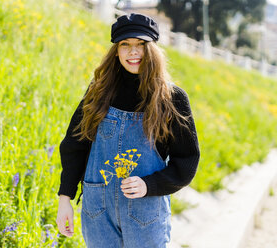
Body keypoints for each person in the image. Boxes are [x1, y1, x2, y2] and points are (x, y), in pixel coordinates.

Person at [56, 13, 200, 248]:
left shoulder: (171, 99)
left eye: (141, 45)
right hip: (98, 211)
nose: (133, 52)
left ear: (152, 49)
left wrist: (150, 185)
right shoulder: (99, 92)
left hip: (145, 213)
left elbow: (186, 161)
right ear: (116, 50)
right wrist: (65, 199)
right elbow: (75, 144)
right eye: (125, 45)